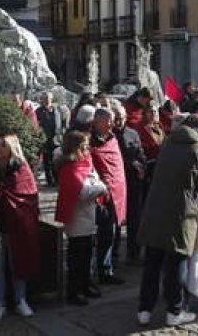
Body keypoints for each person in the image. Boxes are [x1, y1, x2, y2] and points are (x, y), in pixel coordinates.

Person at [136, 113, 198, 327]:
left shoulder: (168, 143)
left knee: (152, 261)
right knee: (176, 261)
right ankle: (174, 310)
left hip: (155, 207)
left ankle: (144, 309)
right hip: (182, 210)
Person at [0, 134, 40, 319]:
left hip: (17, 225)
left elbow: (29, 195)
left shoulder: (22, 168)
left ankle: (20, 300)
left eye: (3, 145)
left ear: (12, 148)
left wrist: (5, 195)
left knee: (18, 264)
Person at [55, 130, 107, 306]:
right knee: (77, 257)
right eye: (84, 147)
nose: (87, 151)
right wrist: (100, 187)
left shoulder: (83, 165)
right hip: (77, 218)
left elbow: (95, 180)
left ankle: (85, 285)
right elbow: (84, 192)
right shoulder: (69, 168)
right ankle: (74, 290)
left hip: (87, 217)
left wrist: (98, 185)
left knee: (86, 255)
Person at [88, 105, 127, 286]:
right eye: (108, 120)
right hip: (99, 195)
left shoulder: (113, 139)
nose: (112, 123)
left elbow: (116, 166)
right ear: (97, 122)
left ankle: (109, 267)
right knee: (102, 234)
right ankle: (100, 270)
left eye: (112, 120)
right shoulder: (89, 141)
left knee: (114, 233)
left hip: (117, 194)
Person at [113, 102, 147, 264]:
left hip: (134, 182)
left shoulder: (133, 134)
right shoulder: (109, 135)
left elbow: (140, 153)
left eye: (121, 118)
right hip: (117, 182)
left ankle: (134, 253)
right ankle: (114, 255)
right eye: (116, 119)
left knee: (135, 218)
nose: (118, 121)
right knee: (116, 220)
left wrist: (141, 164)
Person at [34, 92, 63, 186]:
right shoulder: (38, 111)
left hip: (56, 139)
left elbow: (62, 123)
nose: (46, 100)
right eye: (44, 98)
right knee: (47, 161)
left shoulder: (57, 110)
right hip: (45, 139)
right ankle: (50, 181)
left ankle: (58, 179)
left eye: (48, 98)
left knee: (57, 159)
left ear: (52, 99)